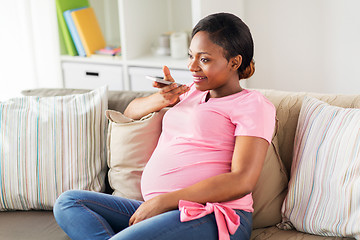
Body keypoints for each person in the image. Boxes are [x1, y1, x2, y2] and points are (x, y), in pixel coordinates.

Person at [53, 12, 276, 240]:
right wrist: (162, 100)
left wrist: (164, 201)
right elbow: (130, 113)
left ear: (234, 62)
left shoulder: (253, 105)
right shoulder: (189, 93)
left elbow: (242, 180)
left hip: (213, 215)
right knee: (69, 202)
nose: (192, 66)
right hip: (160, 211)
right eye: (190, 56)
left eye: (204, 59)